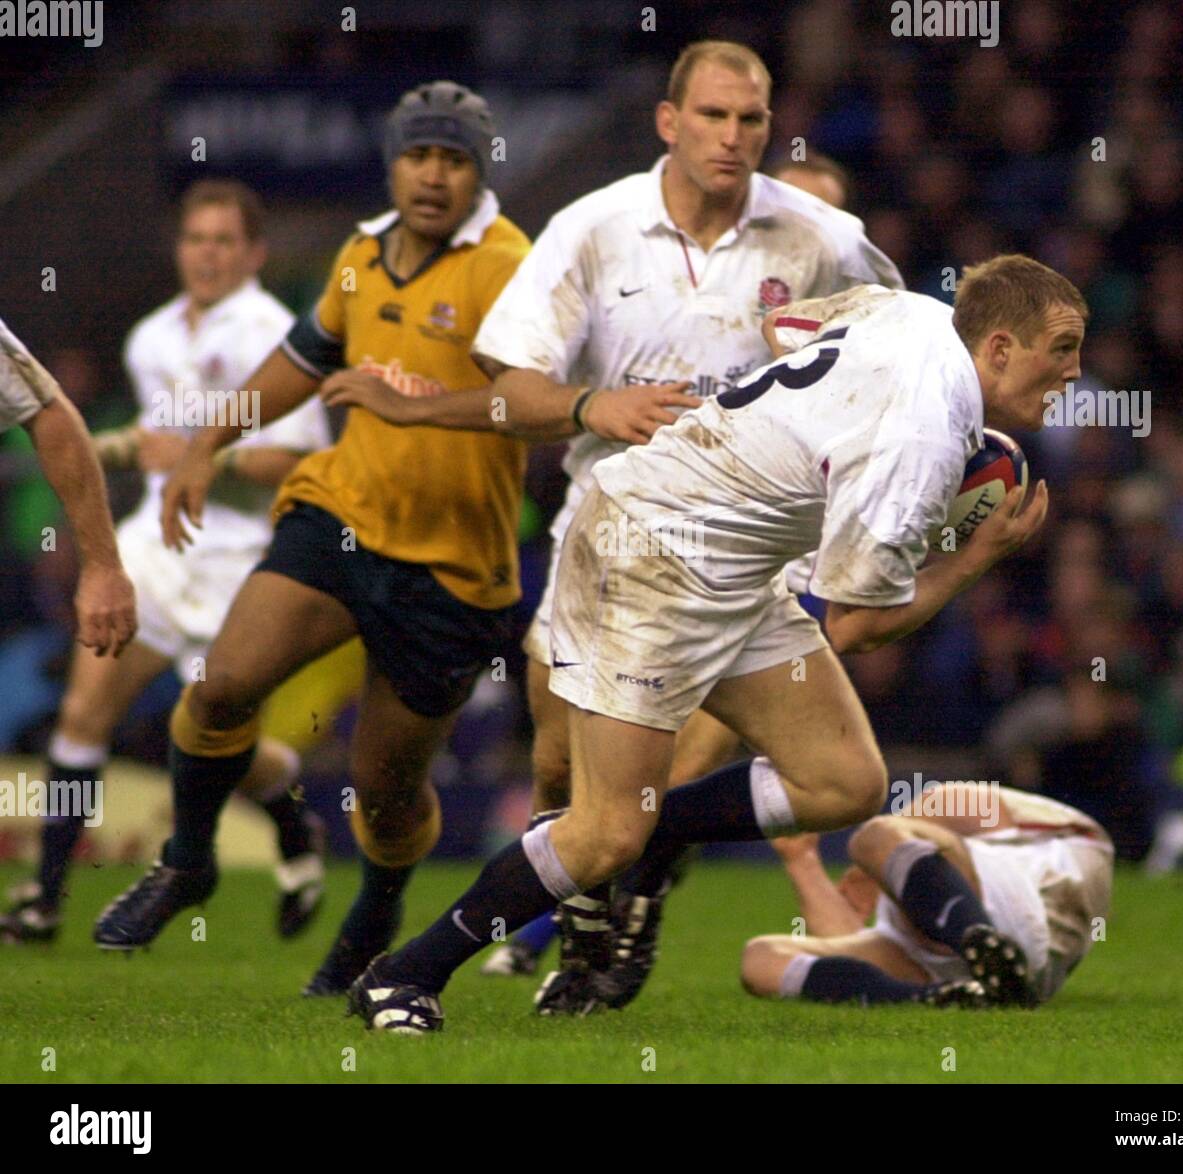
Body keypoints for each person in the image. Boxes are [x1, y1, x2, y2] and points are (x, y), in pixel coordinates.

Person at [345, 253, 1083, 1034]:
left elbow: (784, 326)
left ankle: (657, 829)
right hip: (649, 554)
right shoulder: (923, 436)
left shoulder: (914, 313)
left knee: (843, 783)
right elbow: (857, 628)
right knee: (604, 835)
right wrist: (975, 557)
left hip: (732, 570)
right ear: (999, 348)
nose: (1073, 370)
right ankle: (403, 974)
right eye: (1062, 347)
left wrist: (807, 436)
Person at [92, 82, 677, 997]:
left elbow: (531, 411)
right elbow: (301, 360)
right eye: (419, 155)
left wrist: (408, 404)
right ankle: (187, 862)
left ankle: (376, 913)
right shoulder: (362, 252)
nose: (433, 175)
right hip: (338, 517)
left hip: (450, 567)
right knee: (221, 689)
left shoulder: (509, 266)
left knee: (389, 793)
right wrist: (210, 441)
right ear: (394, 162)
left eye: (452, 159)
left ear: (476, 170)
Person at [465, 40, 901, 1003]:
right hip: (610, 535)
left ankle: (634, 903)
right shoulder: (593, 228)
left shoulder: (820, 236)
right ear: (669, 121)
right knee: (557, 769)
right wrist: (591, 407)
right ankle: (588, 929)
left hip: (751, 547)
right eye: (712, 116)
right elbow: (508, 384)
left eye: (751, 120)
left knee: (679, 758)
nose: (733, 138)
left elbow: (904, 343)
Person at [1, 181, 333, 946]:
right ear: (178, 247)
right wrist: (109, 449)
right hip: (154, 550)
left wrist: (202, 458)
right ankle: (45, 899)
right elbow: (144, 444)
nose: (208, 254)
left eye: (224, 241)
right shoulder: (150, 338)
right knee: (84, 715)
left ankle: (293, 826)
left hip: (236, 564)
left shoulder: (272, 334)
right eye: (195, 239)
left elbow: (301, 461)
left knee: (222, 746)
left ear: (253, 253)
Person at [742, 784, 1114, 1009]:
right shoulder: (925, 870)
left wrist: (878, 860)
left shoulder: (1052, 842)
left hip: (1008, 920)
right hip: (949, 963)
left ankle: (982, 942)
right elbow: (845, 943)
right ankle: (934, 997)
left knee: (874, 836)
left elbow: (940, 803)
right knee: (760, 959)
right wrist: (802, 860)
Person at [0, 321, 136, 656]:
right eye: (65, 369)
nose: (71, 377)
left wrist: (102, 566)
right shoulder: (16, 435)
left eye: (78, 370)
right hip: (23, 539)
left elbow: (48, 413)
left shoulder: (107, 417)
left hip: (48, 538)